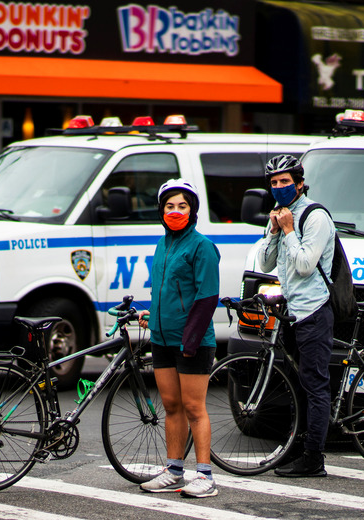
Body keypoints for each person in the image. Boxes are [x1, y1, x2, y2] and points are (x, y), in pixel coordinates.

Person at [137, 179, 220, 498]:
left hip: (193, 342)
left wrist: (190, 338)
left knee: (193, 407)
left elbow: (206, 297)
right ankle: (174, 470)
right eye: (169, 206)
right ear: (161, 211)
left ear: (192, 210)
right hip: (162, 338)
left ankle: (205, 476)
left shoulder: (202, 246)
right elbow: (164, 290)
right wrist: (153, 315)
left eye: (182, 206)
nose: (175, 211)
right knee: (171, 406)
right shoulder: (163, 244)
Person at [257, 154, 336, 478]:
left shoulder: (315, 217)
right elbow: (264, 264)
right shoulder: (279, 215)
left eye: (285, 182)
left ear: (300, 183)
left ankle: (314, 459)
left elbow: (304, 265)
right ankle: (298, 447)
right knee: (301, 386)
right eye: (274, 183)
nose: (279, 188)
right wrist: (276, 230)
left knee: (315, 387)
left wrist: (289, 230)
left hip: (315, 311)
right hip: (293, 313)